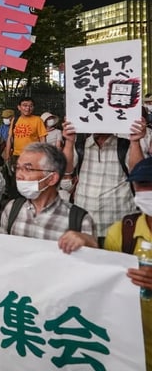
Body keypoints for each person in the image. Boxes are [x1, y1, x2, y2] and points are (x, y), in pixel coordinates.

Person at [0, 142, 98, 253]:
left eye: (28, 169)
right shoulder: (12, 208)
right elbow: (4, 247)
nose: (19, 175)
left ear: (52, 178)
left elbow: (95, 268)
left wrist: (87, 242)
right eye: (18, 168)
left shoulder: (78, 219)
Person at [62, 117, 149, 246]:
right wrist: (69, 142)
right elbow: (65, 169)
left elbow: (138, 173)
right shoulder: (80, 145)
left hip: (118, 225)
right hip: (85, 224)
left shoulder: (125, 146)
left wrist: (135, 142)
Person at [104, 157, 152, 370]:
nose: (148, 190)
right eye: (143, 184)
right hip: (131, 349)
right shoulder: (123, 231)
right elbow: (103, 285)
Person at [3, 97, 47, 163]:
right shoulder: (15, 120)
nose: (28, 108)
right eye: (25, 105)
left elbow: (42, 139)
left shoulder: (38, 120)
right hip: (16, 155)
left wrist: (42, 155)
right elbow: (10, 138)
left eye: (31, 106)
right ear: (19, 107)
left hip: (33, 155)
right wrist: (7, 154)